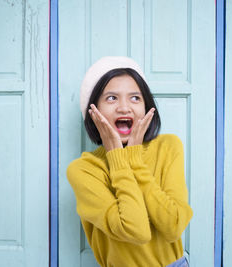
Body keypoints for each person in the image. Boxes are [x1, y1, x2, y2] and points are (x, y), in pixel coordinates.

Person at [67, 56, 193, 267]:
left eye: (135, 98)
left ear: (146, 106)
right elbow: (136, 230)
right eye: (111, 98)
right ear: (93, 111)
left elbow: (174, 226)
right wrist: (118, 158)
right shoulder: (84, 170)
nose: (124, 108)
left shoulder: (168, 147)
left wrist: (134, 159)